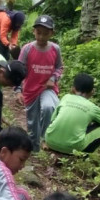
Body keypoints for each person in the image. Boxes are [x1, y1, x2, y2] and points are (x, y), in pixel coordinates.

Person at [18, 14, 63, 153]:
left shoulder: (55, 49)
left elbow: (59, 67)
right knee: (32, 121)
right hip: (31, 90)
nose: (42, 37)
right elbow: (19, 69)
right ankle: (34, 148)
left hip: (47, 88)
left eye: (45, 33)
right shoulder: (27, 49)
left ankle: (45, 138)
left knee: (49, 107)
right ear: (34, 32)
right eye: (39, 33)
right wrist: (18, 89)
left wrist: (53, 78)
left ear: (52, 33)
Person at [45, 73, 100, 155]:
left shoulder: (66, 98)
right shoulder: (92, 108)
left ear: (73, 89)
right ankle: (83, 154)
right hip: (73, 147)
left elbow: (53, 119)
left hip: (50, 141)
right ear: (92, 91)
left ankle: (57, 148)